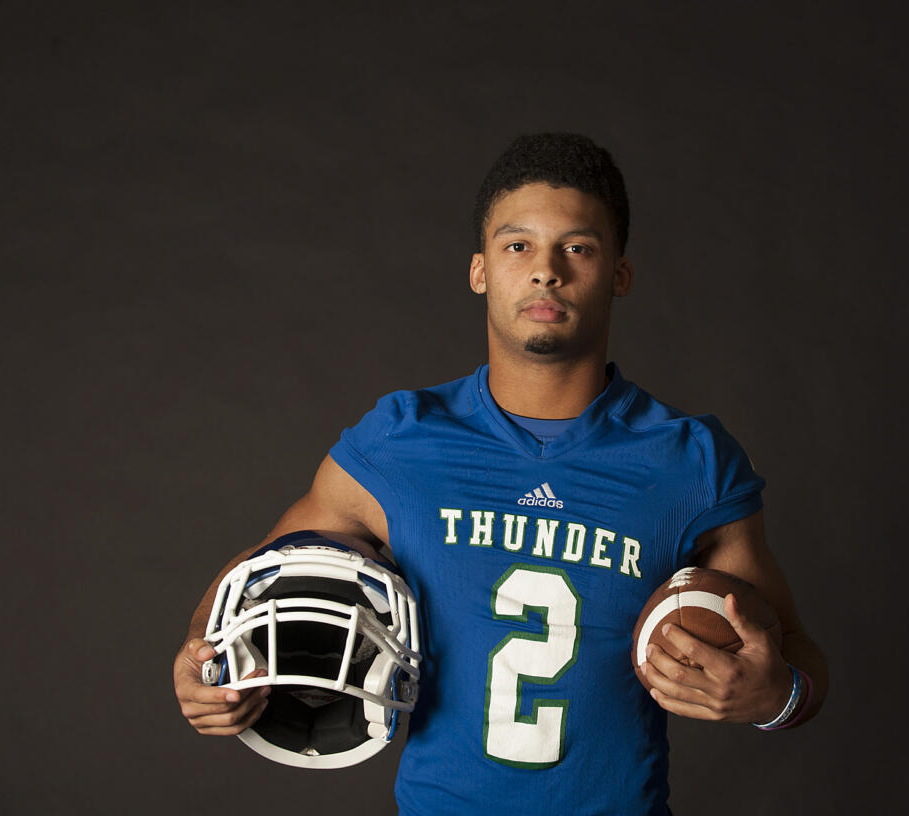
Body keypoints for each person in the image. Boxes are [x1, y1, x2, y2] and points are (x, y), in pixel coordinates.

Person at [173, 133, 828, 814]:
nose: (547, 271)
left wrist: (775, 695)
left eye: (578, 247)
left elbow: (798, 650)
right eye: (519, 246)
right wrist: (198, 652)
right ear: (480, 270)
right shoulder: (402, 439)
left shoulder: (690, 459)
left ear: (620, 275)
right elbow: (261, 570)